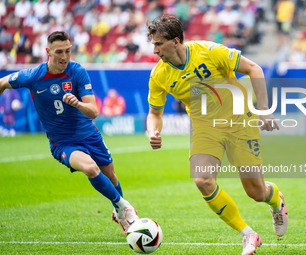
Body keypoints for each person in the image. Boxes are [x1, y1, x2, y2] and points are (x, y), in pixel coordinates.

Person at [146, 16, 288, 255]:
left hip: (239, 120)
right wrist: (153, 130)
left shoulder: (210, 51)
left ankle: (275, 200)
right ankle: (248, 235)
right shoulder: (159, 75)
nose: (154, 50)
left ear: (176, 41)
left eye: (159, 44)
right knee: (202, 180)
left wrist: (263, 110)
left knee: (256, 192)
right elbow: (154, 113)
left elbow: (254, 69)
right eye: (153, 44)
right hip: (204, 128)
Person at [0, 31, 138, 235]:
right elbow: (2, 83)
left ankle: (120, 212)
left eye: (68, 51)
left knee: (112, 177)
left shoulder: (77, 71)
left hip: (90, 135)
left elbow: (93, 111)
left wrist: (78, 103)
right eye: (59, 52)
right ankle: (124, 208)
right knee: (90, 168)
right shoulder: (33, 75)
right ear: (48, 52)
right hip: (63, 142)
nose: (64, 57)